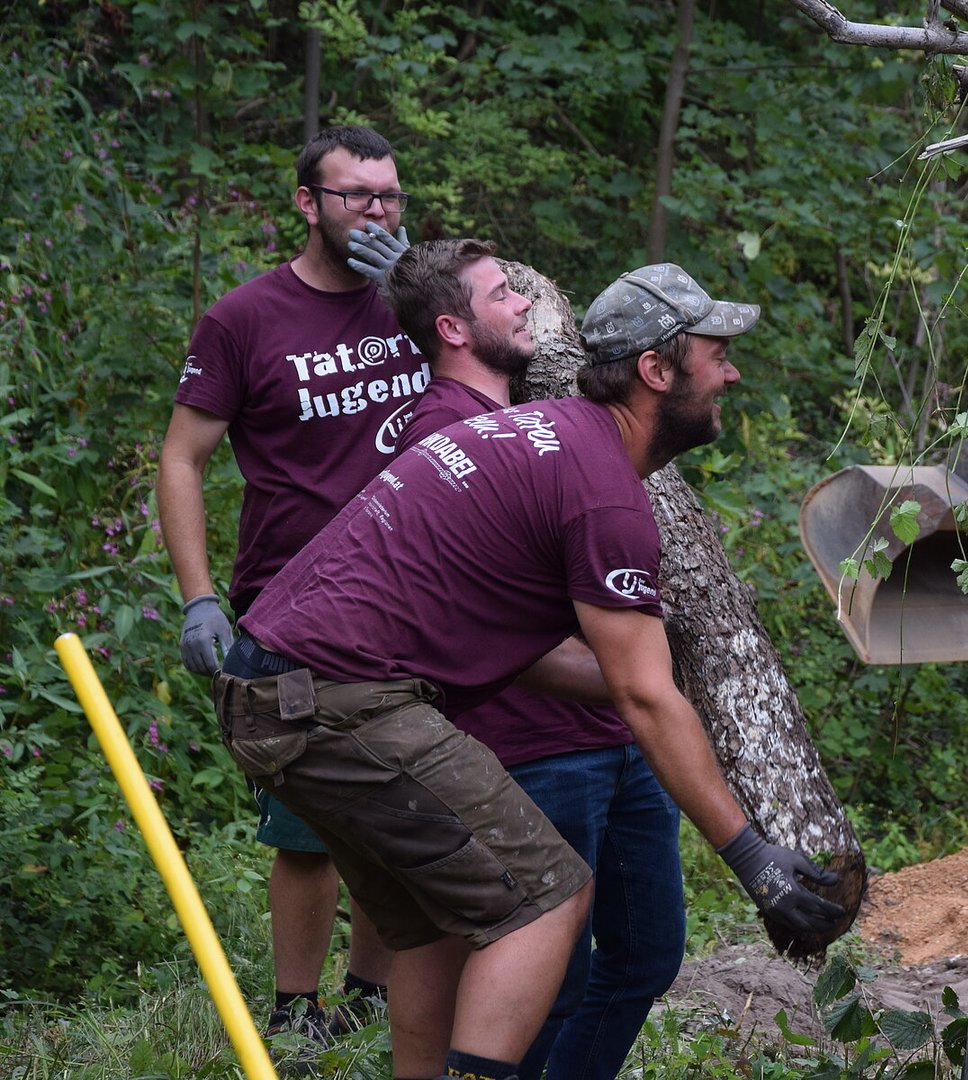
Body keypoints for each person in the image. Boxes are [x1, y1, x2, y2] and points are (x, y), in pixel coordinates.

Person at [210, 253, 846, 1080]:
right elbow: (643, 697)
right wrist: (751, 857)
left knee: (440, 926)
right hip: (333, 696)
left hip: (275, 683)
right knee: (547, 894)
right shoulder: (601, 491)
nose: (731, 374)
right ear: (656, 372)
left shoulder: (548, 438)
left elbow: (590, 671)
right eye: (715, 356)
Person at [387, 239, 684, 1080]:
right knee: (552, 977)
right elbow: (461, 618)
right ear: (453, 328)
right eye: (501, 294)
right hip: (532, 747)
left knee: (646, 957)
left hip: (621, 735)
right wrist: (626, 675)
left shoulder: (550, 412)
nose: (525, 303)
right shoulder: (436, 433)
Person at [156, 124, 418, 1045]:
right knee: (309, 826)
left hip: (422, 598)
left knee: (402, 811)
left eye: (391, 196)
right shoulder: (245, 319)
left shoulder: (420, 301)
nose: (378, 213)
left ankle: (370, 997)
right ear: (308, 203)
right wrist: (198, 596)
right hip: (297, 605)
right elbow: (182, 458)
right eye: (358, 196)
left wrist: (418, 287)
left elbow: (518, 370)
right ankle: (295, 1013)